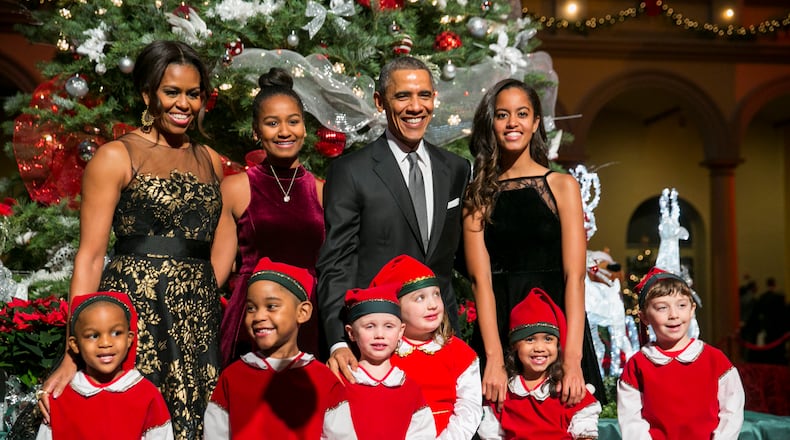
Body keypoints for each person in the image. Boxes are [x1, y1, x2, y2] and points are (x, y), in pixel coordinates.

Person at [38, 40, 225, 440]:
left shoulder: (210, 159)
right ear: (148, 94)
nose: (184, 104)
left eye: (193, 94)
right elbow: (90, 257)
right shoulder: (115, 157)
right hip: (138, 310)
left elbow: (217, 242)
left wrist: (208, 292)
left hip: (196, 316)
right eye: (171, 92)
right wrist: (73, 353)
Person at [317, 56, 471, 373]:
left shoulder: (456, 169)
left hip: (441, 340)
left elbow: (453, 261)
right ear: (380, 102)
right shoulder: (350, 171)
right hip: (376, 343)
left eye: (424, 95)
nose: (416, 107)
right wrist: (337, 341)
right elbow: (336, 263)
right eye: (403, 96)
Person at [462, 78, 604, 408]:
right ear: (491, 123)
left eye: (522, 113)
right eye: (502, 115)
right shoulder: (478, 194)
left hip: (558, 328)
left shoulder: (562, 186)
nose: (513, 123)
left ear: (536, 122)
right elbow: (479, 282)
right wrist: (494, 358)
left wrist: (571, 359)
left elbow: (575, 278)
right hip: (499, 328)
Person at [212, 67, 324, 367]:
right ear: (256, 131)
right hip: (251, 319)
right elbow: (218, 271)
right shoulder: (236, 188)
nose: (284, 131)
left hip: (308, 316)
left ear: (304, 128)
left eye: (293, 122)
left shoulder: (323, 191)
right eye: (272, 123)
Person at [203, 258, 355, 439]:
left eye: (271, 306)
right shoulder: (232, 377)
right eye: (251, 308)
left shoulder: (324, 380)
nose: (258, 316)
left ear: (302, 312)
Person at [617, 267, 744, 439]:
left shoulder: (715, 360)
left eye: (681, 305)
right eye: (662, 308)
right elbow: (631, 419)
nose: (674, 315)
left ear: (692, 310)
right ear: (645, 317)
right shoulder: (637, 364)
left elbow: (732, 410)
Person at [370, 254, 482, 439]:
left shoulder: (459, 353)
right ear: (396, 307)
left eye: (436, 294)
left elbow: (469, 406)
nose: (432, 305)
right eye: (420, 298)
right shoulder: (383, 352)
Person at [37, 292, 173, 440]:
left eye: (116, 333)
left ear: (129, 339)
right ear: (75, 345)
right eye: (93, 336)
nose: (106, 343)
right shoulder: (61, 397)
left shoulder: (147, 395)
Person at [477, 288, 601, 440]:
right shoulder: (505, 393)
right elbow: (492, 434)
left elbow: (585, 431)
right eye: (530, 339)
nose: (539, 348)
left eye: (548, 339)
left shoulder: (567, 391)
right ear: (515, 345)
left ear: (557, 345)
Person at [341, 283, 436, 439]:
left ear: (400, 331)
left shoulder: (409, 387)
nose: (380, 334)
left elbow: (423, 433)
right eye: (370, 326)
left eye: (389, 326)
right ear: (351, 333)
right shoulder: (342, 383)